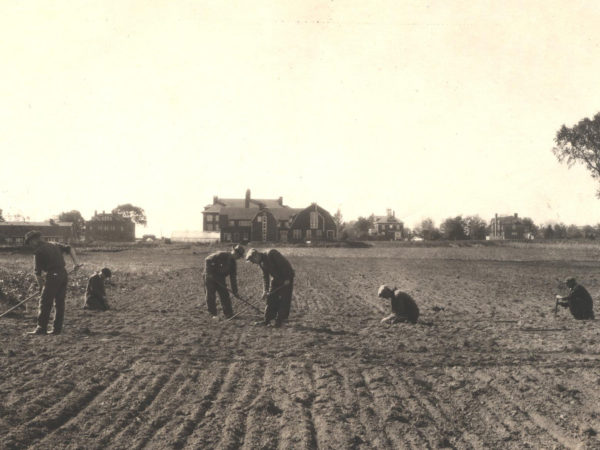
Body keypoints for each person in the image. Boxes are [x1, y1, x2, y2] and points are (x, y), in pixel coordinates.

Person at [24, 231, 81, 335]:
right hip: (63, 274)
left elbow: (37, 273)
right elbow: (70, 248)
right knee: (60, 303)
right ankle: (57, 329)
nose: (30, 245)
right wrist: (76, 263)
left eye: (30, 242)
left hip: (53, 276)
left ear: (34, 240)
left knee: (45, 302)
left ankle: (41, 328)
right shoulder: (54, 244)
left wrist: (41, 287)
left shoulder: (38, 251)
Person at [246, 248, 294, 327]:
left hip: (286, 278)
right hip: (275, 279)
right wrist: (265, 290)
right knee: (271, 298)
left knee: (284, 300)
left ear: (256, 256)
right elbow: (265, 277)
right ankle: (267, 320)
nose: (253, 263)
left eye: (252, 261)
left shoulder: (271, 253)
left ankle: (279, 321)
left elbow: (285, 265)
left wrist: (288, 278)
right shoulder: (261, 263)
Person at [204, 245, 245, 319]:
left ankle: (229, 313)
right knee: (211, 295)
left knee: (225, 295)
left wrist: (235, 291)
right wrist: (209, 273)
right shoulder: (221, 254)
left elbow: (233, 278)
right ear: (235, 252)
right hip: (210, 277)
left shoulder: (233, 264)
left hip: (220, 278)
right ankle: (212, 314)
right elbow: (207, 259)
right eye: (239, 256)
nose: (238, 258)